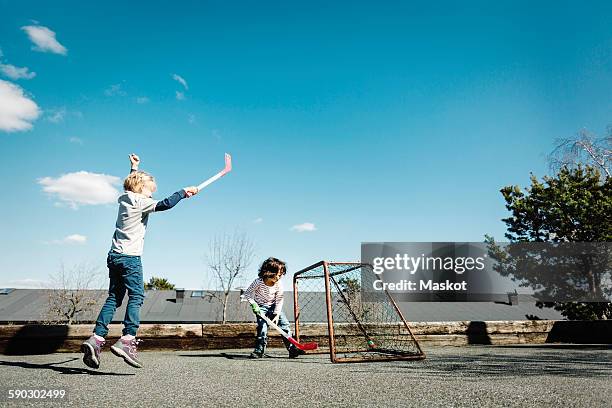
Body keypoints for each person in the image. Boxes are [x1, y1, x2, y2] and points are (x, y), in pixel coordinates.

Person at [80, 153, 198, 369]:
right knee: (137, 296)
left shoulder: (126, 197)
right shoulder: (141, 202)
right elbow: (165, 204)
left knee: (114, 298)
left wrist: (134, 167)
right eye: (150, 189)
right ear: (141, 188)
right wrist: (183, 192)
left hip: (114, 255)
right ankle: (127, 339)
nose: (151, 193)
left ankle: (96, 338)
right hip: (130, 258)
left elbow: (132, 183)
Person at [243, 257, 304, 358]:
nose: (280, 277)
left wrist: (276, 314)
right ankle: (259, 350)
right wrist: (254, 304)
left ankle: (292, 349)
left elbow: (279, 299)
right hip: (261, 308)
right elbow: (247, 294)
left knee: (285, 326)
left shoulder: (278, 284)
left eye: (281, 275)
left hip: (274, 306)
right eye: (278, 274)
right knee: (262, 328)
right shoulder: (258, 282)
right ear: (268, 273)